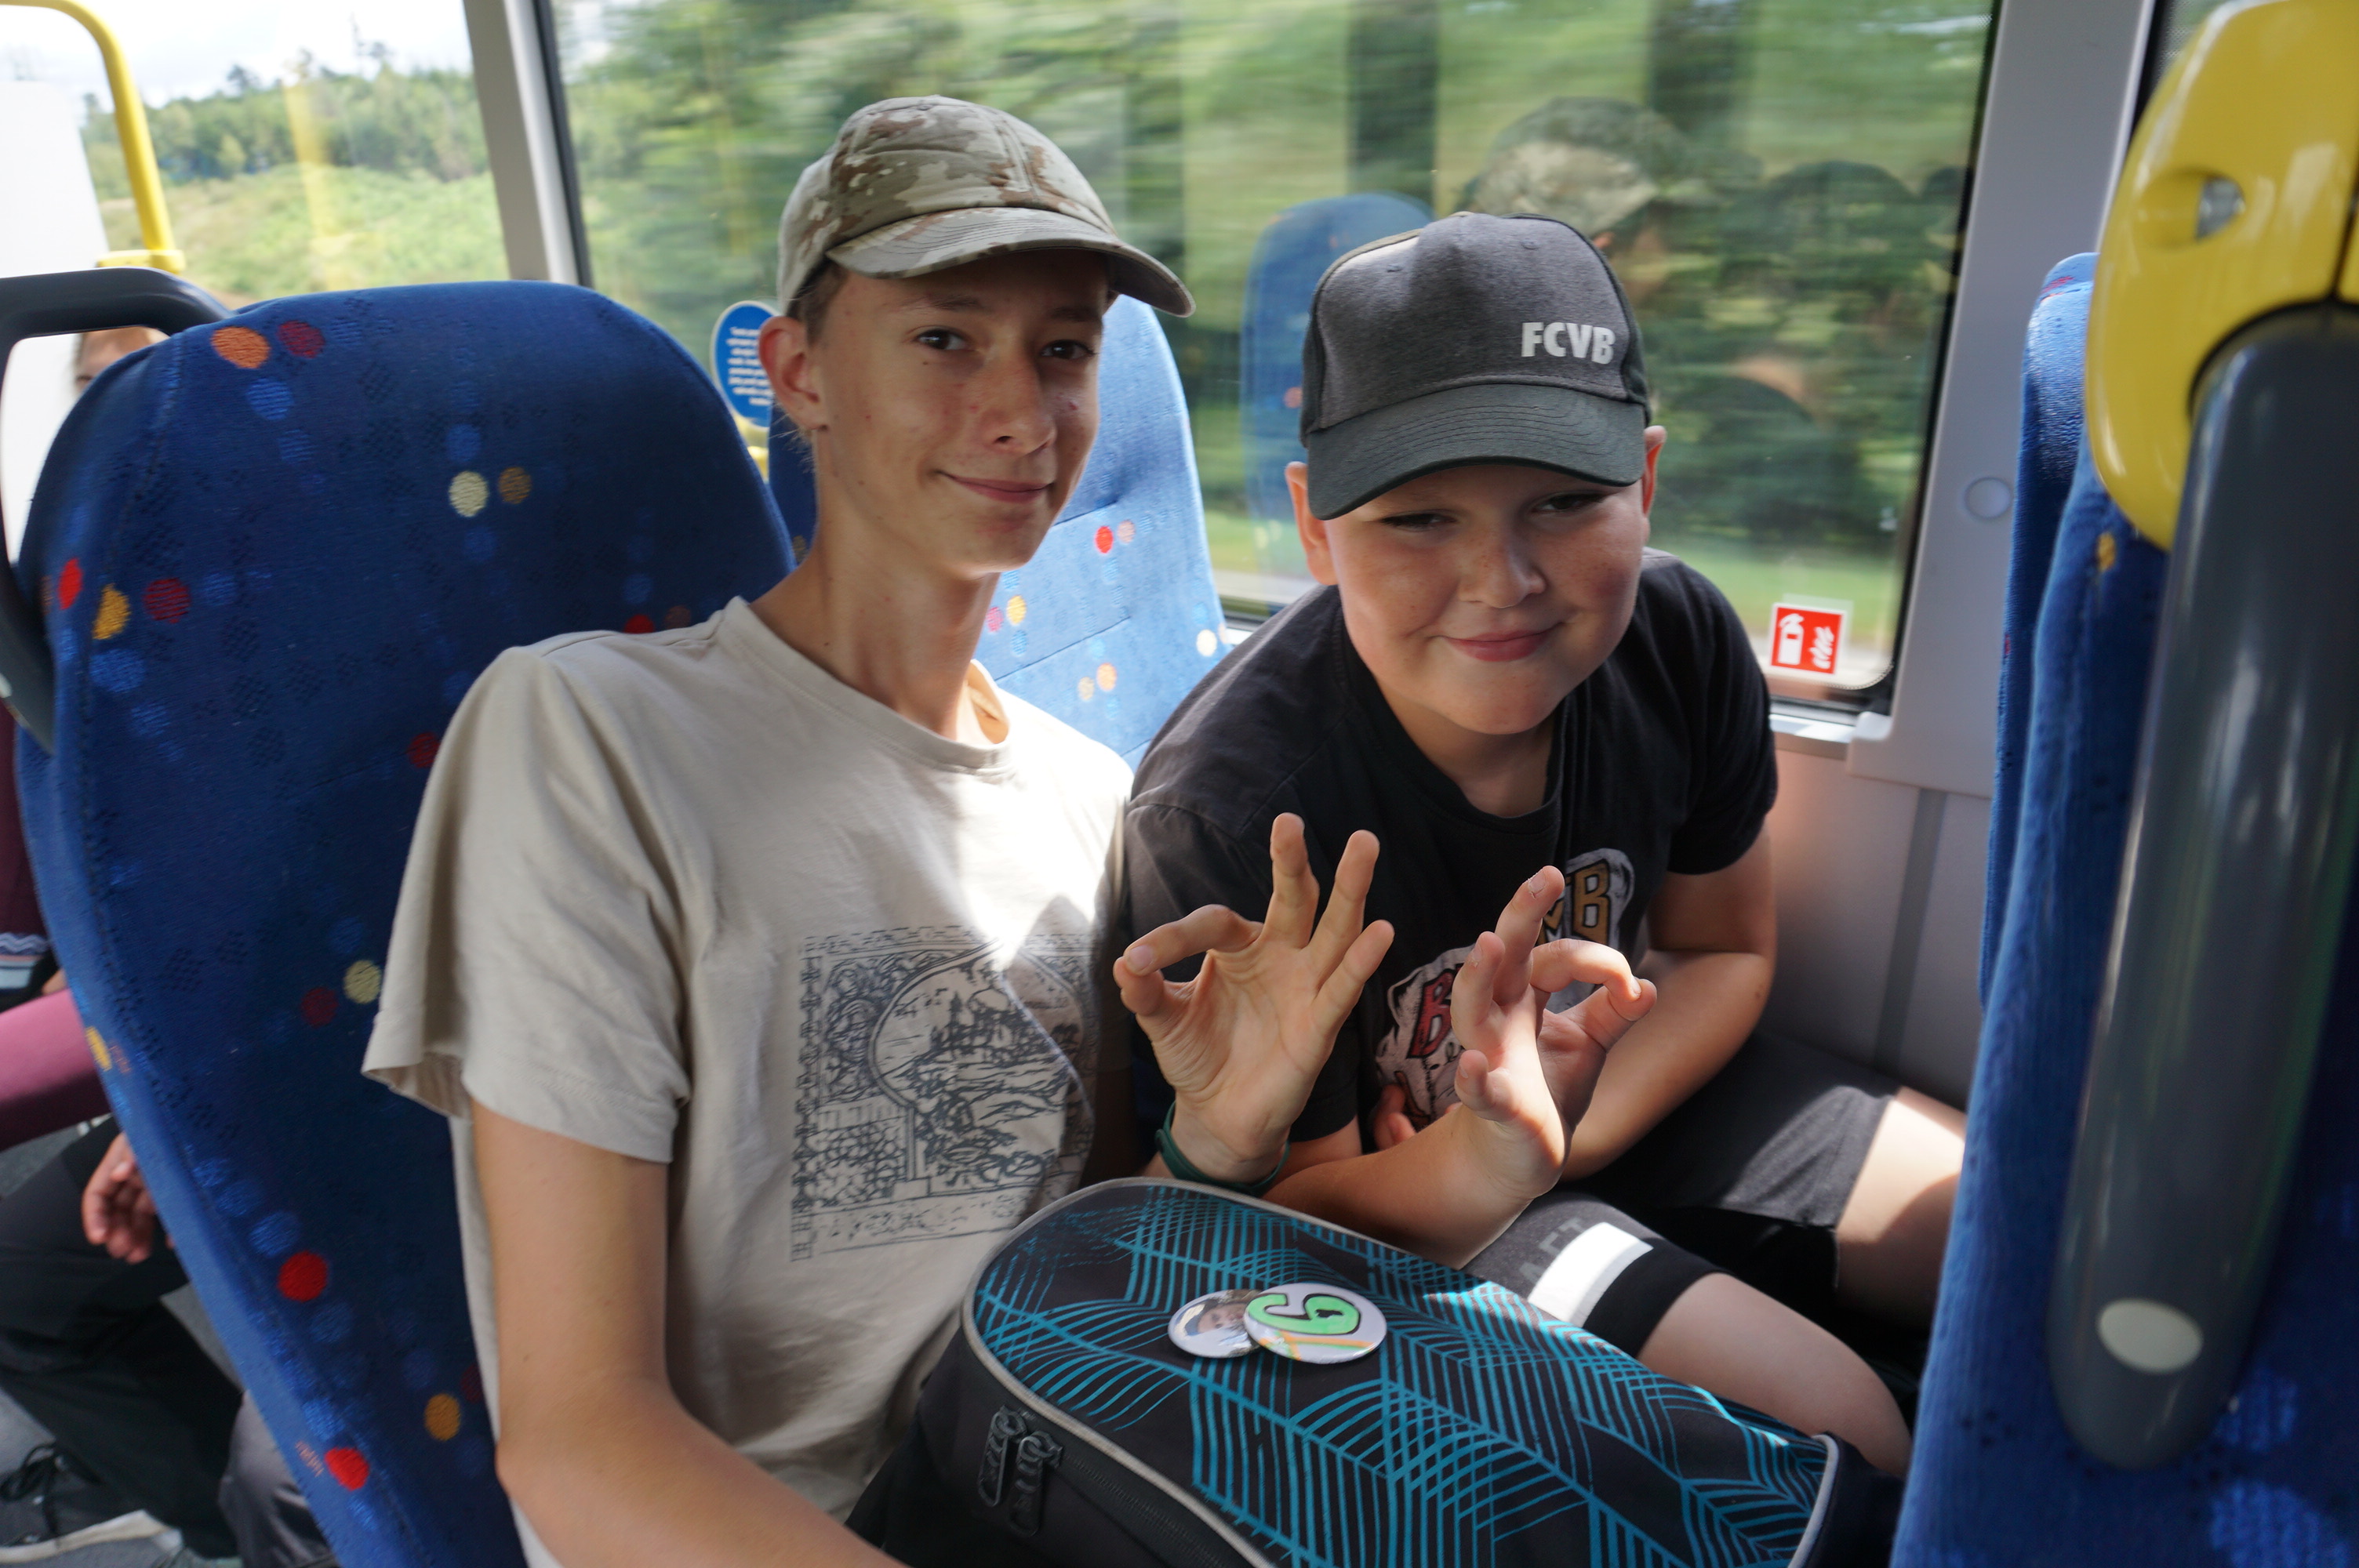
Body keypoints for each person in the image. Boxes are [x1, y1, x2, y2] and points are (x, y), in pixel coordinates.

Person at [362, 96, 1399, 1567]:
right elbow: (577, 1434)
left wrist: (1221, 1138)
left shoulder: (1088, 797)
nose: (1022, 414)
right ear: (801, 373)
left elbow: (1081, 1278)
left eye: (1064, 350)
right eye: (944, 338)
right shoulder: (588, 739)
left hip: (1070, 1470)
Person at [1121, 212, 1966, 1475]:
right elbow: (1287, 1208)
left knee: (2021, 1240)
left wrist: (1576, 1119)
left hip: (1620, 1086)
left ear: (1648, 482)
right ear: (1314, 525)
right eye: (1419, 519)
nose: (1502, 578)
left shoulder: (1677, 639)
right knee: (1855, 1428)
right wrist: (1493, 1156)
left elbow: (1722, 950)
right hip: (1421, 1208)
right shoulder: (1241, 815)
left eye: (1566, 501)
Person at [0, 1118, 338, 1566]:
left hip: (383, 1135)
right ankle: (210, 1508)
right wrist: (160, 1122)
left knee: (271, 1481)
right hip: (240, 1107)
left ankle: (258, 1526)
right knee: (16, 1292)